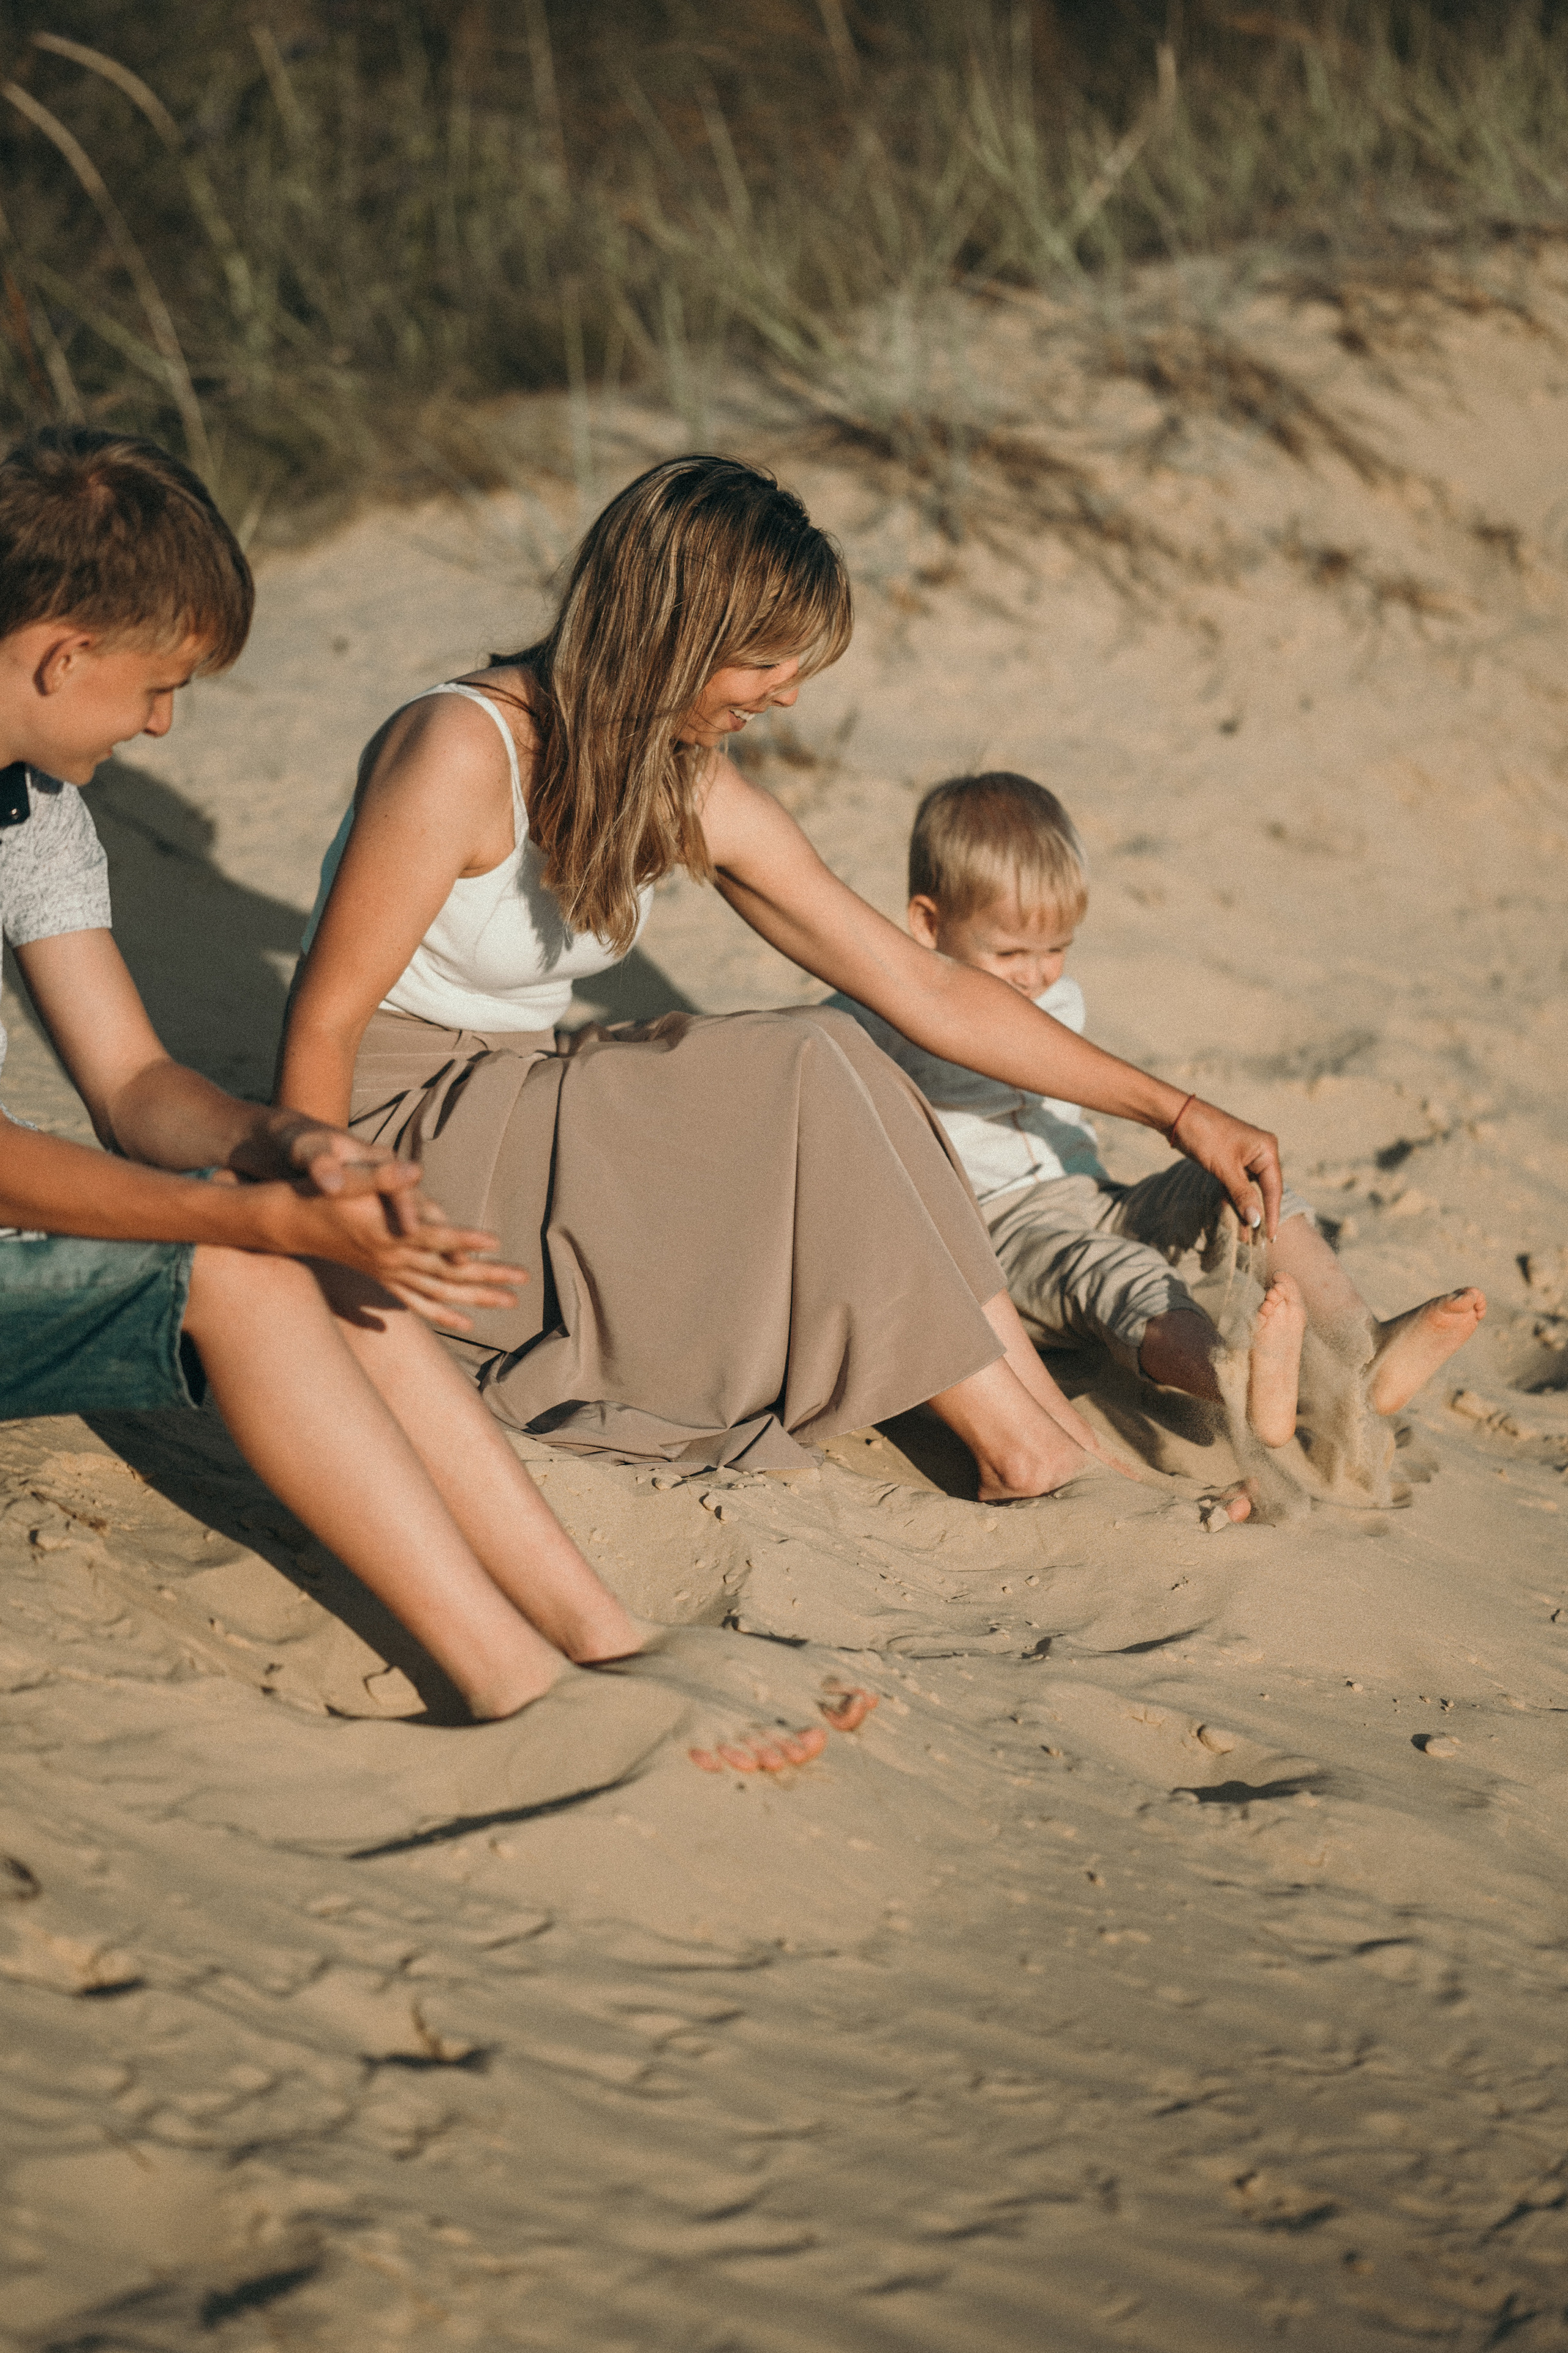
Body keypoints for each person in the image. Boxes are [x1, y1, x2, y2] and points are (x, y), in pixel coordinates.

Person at [0, 424, 848, 1786]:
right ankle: (523, 1691)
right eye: (158, 686)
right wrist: (260, 1215)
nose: (163, 725)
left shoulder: (34, 817)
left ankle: (603, 1644)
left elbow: (134, 1086)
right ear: (62, 655)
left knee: (309, 1229)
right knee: (251, 1260)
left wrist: (302, 1151)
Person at [279, 455, 1298, 1513]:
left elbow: (920, 986)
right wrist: (316, 1246)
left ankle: (1045, 1431)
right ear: (671, 631)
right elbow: (322, 1020)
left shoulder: (669, 771)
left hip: (516, 1106)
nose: (788, 692)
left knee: (848, 1046)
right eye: (763, 660)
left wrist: (1177, 1112)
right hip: (400, 1137)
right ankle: (1026, 1448)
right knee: (801, 1057)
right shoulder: (459, 746)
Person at [823, 771, 1486, 1450]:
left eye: (1055, 949)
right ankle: (1237, 1374)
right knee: (1123, 1277)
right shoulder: (879, 1011)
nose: (1037, 973)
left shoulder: (1057, 996)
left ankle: (1360, 1343)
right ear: (928, 924)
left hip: (1096, 1194)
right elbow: (814, 1075)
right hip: (1002, 1233)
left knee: (1234, 1189)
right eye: (1011, 952)